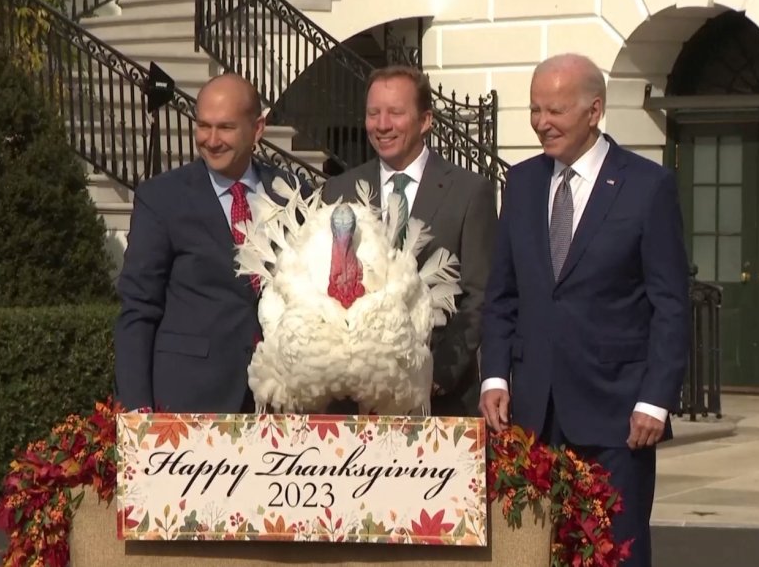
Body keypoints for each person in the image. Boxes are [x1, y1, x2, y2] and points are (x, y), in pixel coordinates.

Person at [480, 54, 690, 566]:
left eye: (554, 110)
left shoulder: (646, 186)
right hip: (532, 415)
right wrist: (495, 379)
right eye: (534, 109)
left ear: (594, 111)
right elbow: (503, 294)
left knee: (614, 552)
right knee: (532, 552)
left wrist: (656, 400)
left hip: (617, 415)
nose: (540, 123)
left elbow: (670, 303)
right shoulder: (524, 182)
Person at [113, 73, 305, 413]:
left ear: (257, 129)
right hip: (190, 399)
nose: (211, 140)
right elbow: (138, 310)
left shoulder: (292, 193)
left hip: (281, 400)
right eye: (203, 126)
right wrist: (136, 410)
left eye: (226, 128)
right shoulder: (162, 199)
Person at [321, 65, 498, 416]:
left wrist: (437, 373)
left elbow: (480, 294)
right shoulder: (338, 191)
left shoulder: (468, 192)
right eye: (374, 113)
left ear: (426, 120)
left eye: (396, 113)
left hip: (440, 398)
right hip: (354, 401)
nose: (382, 125)